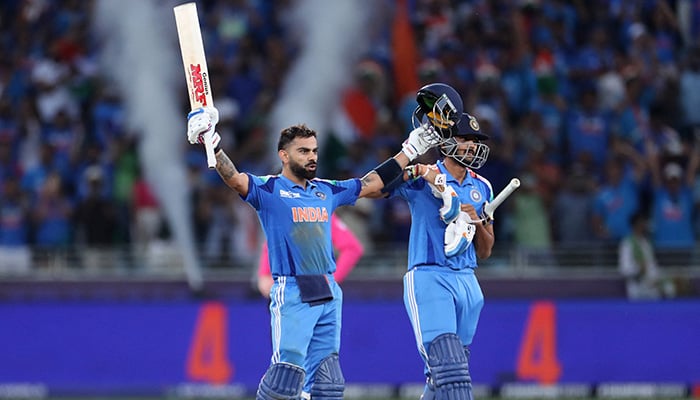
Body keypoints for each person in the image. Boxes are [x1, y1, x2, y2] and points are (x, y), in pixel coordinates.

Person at [185, 82, 463, 400]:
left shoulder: (325, 190)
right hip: (292, 288)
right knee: (285, 377)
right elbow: (234, 178)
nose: (312, 157)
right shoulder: (269, 189)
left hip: (328, 288)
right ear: (284, 155)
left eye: (315, 150)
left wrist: (409, 150)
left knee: (328, 383)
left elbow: (369, 184)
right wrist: (214, 146)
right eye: (303, 151)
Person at [383, 109, 495, 399]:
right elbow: (376, 187)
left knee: (445, 376)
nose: (472, 145)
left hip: (469, 280)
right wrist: (410, 159)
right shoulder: (424, 176)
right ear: (445, 141)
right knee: (450, 370)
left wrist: (477, 222)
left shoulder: (482, 186)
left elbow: (485, 250)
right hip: (429, 275)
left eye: (475, 140)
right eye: (464, 138)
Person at [256, 213, 364, 298]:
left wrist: (329, 281)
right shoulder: (284, 209)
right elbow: (272, 244)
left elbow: (352, 248)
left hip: (312, 295)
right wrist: (265, 275)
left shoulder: (320, 212)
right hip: (284, 294)